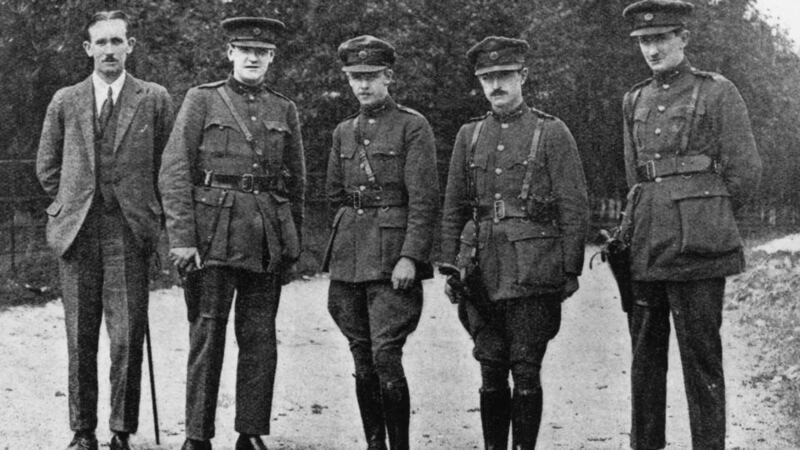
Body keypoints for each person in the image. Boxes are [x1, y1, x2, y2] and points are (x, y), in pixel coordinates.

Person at [158, 16, 305, 450]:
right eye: (245, 50)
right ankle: (197, 435)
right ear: (230, 53)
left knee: (260, 338)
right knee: (207, 334)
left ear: (272, 57)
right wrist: (182, 238)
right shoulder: (202, 99)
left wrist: (291, 245)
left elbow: (296, 182)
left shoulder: (284, 109)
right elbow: (175, 170)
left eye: (262, 52)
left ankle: (251, 432)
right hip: (212, 236)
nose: (253, 58)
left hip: (264, 239)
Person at [620, 1, 762, 448]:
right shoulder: (634, 99)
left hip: (699, 249)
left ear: (683, 38)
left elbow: (745, 171)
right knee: (645, 360)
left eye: (661, 38)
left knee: (702, 362)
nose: (652, 49)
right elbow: (634, 175)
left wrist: (708, 216)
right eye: (644, 41)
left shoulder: (717, 92)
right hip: (647, 246)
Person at [439, 36, 589, 449]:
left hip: (534, 269)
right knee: (490, 367)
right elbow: (453, 206)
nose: (496, 85)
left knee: (525, 368)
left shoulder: (551, 132)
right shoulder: (469, 135)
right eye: (487, 78)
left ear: (523, 76)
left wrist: (570, 269)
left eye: (504, 75)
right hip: (481, 270)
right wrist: (451, 265)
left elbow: (573, 204)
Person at [36, 10, 174, 450]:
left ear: (130, 46)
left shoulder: (154, 98)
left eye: (117, 41)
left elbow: (168, 166)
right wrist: (70, 204)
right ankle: (82, 431)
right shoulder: (66, 100)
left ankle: (121, 431)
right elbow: (47, 166)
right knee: (80, 337)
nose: (109, 50)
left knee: (127, 336)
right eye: (101, 42)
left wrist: (151, 213)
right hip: (77, 233)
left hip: (128, 232)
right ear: (88, 49)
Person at [321, 35, 440, 450]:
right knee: (361, 355)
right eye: (355, 77)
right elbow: (334, 196)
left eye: (371, 76)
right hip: (350, 259)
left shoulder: (412, 126)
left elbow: (423, 200)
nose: (363, 85)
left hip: (392, 260)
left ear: (388, 76)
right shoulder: (343, 132)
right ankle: (375, 445)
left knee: (386, 355)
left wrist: (411, 256)